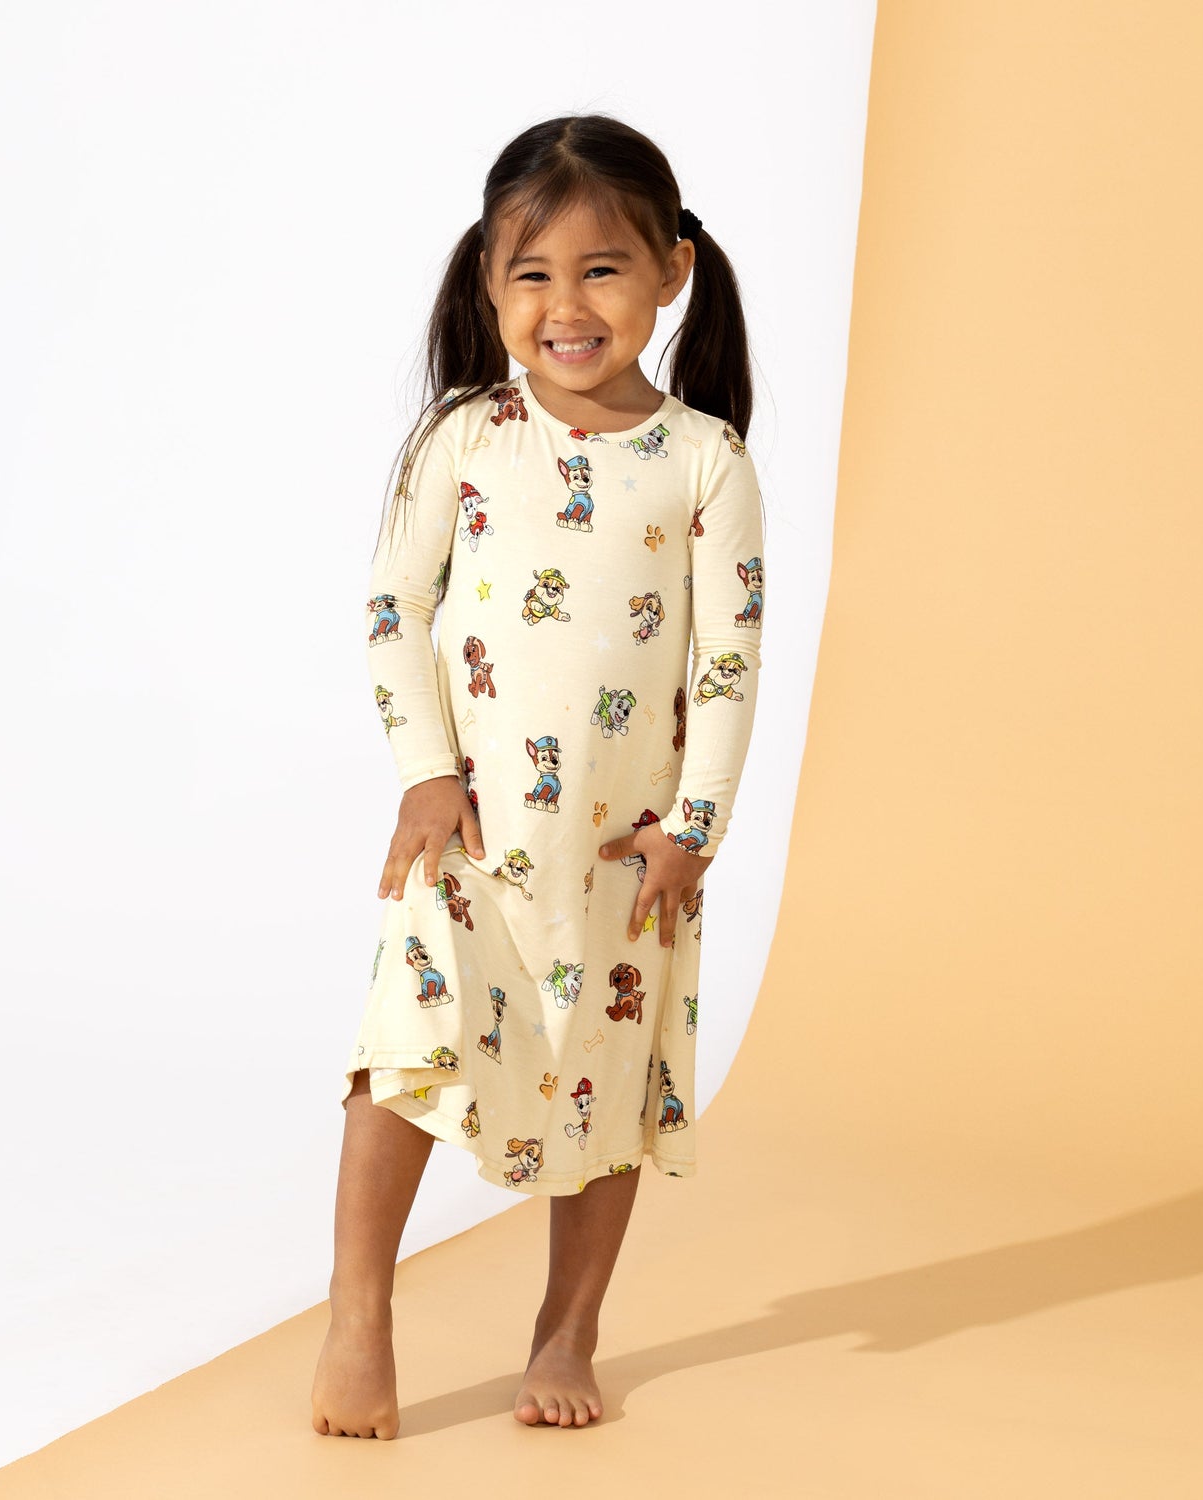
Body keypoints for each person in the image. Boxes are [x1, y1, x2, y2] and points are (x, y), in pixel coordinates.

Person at [313, 112, 766, 1439]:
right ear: (488, 282)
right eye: (534, 274)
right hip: (469, 835)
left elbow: (731, 658)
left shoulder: (706, 460)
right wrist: (424, 773)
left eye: (602, 270)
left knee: (605, 1084)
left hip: (624, 853)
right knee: (403, 1050)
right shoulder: (462, 439)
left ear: (672, 271)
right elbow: (395, 609)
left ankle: (568, 1330)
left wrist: (695, 829)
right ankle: (358, 1311)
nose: (567, 307)